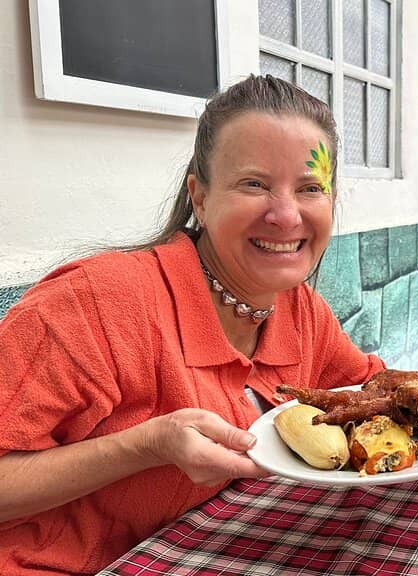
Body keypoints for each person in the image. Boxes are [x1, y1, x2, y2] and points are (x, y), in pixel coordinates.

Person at [0, 75, 385, 575]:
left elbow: (364, 389)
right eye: (255, 184)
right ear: (199, 198)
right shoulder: (93, 304)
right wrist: (144, 446)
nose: (287, 215)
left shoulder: (301, 311)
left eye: (311, 188)